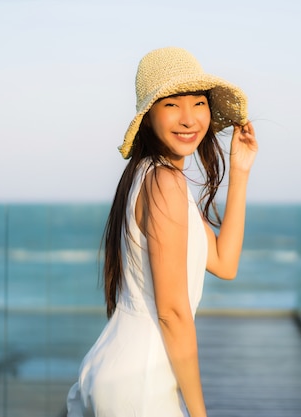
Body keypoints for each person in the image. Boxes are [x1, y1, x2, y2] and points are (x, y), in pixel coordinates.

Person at [66, 46, 258, 417]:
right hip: (140, 380)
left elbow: (225, 262)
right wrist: (200, 412)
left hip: (124, 366)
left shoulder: (154, 178)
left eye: (198, 103)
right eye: (171, 104)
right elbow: (172, 311)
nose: (189, 119)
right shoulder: (164, 183)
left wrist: (241, 171)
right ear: (148, 116)